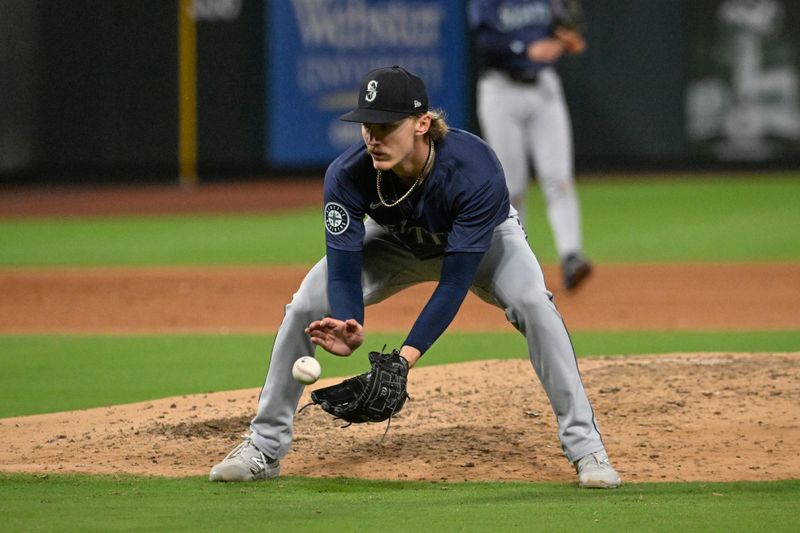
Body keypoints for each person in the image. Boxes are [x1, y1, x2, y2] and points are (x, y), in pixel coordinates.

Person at [209, 65, 621, 488]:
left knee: (535, 304)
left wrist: (404, 359)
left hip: (483, 242)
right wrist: (351, 322)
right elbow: (345, 264)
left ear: (423, 124)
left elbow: (455, 281)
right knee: (305, 305)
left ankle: (587, 449)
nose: (373, 137)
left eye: (386, 126)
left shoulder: (474, 169)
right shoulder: (347, 174)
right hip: (397, 240)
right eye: (368, 125)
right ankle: (264, 444)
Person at [469, 0, 593, 290]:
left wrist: (565, 37)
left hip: (544, 86)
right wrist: (523, 50)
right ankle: (516, 262)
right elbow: (485, 42)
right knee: (512, 187)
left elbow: (563, 22)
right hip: (501, 90)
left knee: (559, 178)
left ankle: (571, 255)